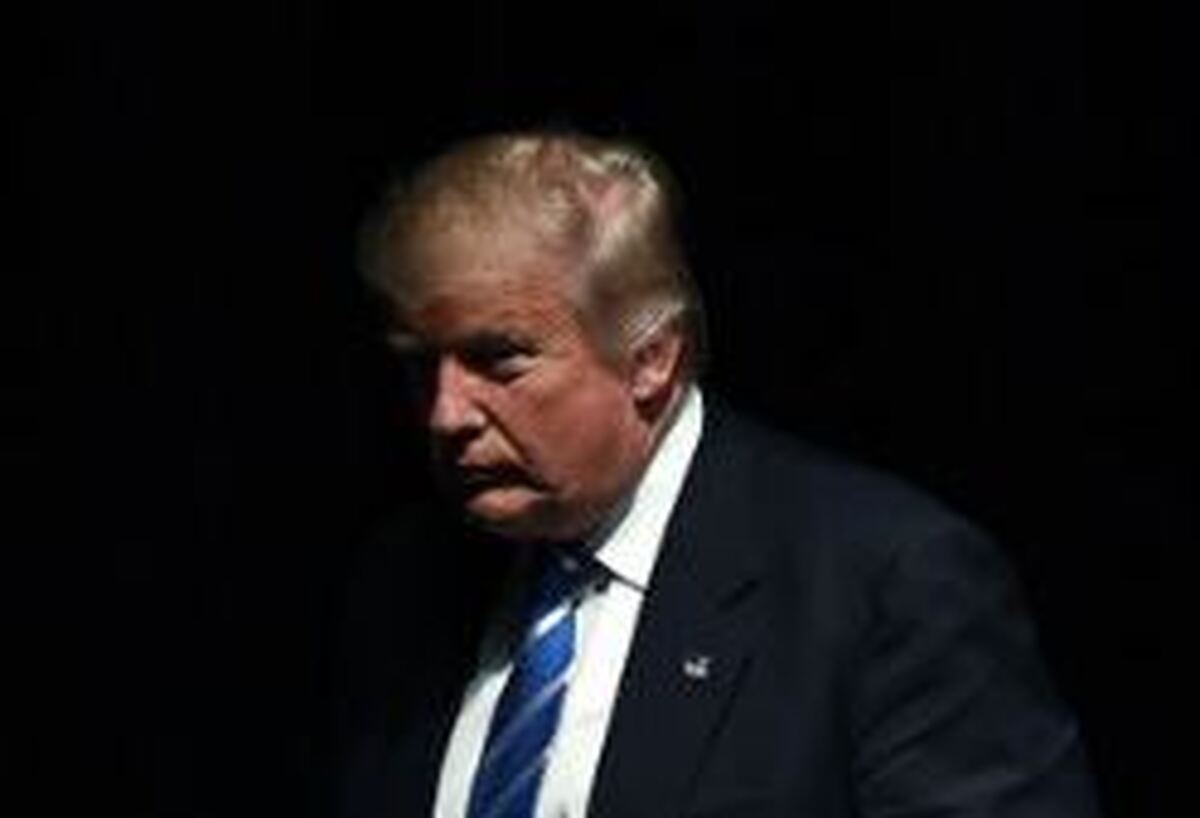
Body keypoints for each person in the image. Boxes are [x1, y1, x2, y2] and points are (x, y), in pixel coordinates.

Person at [332, 130, 1100, 817]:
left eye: (499, 358)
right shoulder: (407, 583)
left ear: (652, 359)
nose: (445, 414)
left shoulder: (884, 585)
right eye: (421, 366)